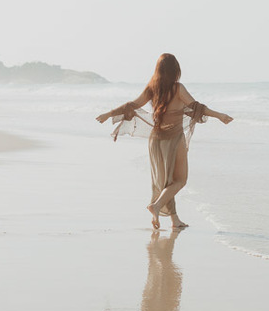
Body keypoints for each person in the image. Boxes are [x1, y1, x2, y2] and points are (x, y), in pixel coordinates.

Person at [96, 53, 233, 229]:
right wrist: (219, 115)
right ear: (176, 69)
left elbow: (131, 105)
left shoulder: (152, 88)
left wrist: (108, 114)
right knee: (180, 180)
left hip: (155, 140)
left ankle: (175, 220)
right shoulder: (178, 88)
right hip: (174, 138)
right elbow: (197, 107)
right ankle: (156, 205)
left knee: (165, 181)